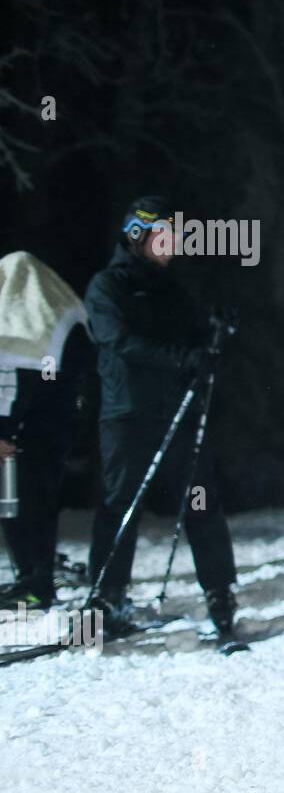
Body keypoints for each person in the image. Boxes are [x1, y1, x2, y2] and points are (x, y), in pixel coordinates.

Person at [83, 196, 240, 637]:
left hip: (178, 411)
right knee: (120, 506)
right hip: (127, 413)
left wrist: (215, 333)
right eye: (165, 238)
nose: (173, 246)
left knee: (201, 501)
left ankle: (220, 593)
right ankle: (107, 598)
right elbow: (121, 341)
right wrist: (183, 357)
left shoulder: (172, 289)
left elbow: (195, 337)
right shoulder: (106, 287)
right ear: (138, 236)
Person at [0, 252, 91, 610]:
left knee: (17, 505)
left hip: (21, 436)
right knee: (39, 504)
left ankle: (33, 585)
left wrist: (3, 432)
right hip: (54, 431)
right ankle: (35, 581)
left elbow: (10, 388)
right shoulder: (60, 317)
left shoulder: (16, 329)